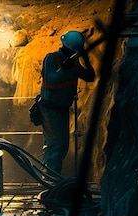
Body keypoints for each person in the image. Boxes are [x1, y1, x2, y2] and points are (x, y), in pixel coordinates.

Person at [39, 30, 95, 174]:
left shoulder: (74, 63)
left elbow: (90, 77)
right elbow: (50, 81)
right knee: (54, 145)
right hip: (50, 109)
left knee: (62, 145)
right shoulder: (52, 58)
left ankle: (53, 177)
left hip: (62, 108)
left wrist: (86, 59)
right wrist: (64, 68)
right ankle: (49, 181)